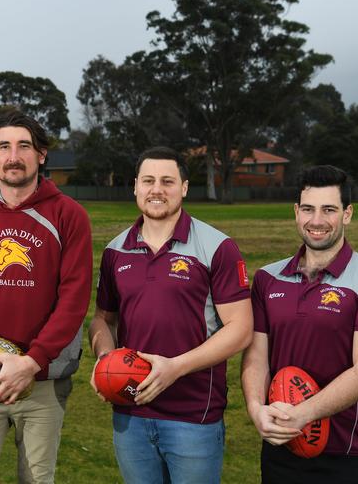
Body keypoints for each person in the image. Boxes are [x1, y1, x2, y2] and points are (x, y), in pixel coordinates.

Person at [0, 110, 93, 483]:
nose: (13, 156)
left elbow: (74, 299)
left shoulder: (69, 215)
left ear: (41, 155)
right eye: (3, 147)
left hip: (41, 378)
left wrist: (32, 362)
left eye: (24, 146)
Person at [88, 146, 253, 484]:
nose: (157, 189)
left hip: (193, 416)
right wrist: (106, 359)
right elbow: (103, 318)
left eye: (167, 181)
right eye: (148, 181)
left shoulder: (217, 247)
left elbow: (241, 328)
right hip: (130, 411)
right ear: (135, 186)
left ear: (185, 188)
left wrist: (174, 368)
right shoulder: (116, 251)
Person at [241, 165, 358, 483]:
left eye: (329, 210)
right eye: (308, 209)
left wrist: (304, 413)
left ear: (347, 214)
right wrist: (256, 409)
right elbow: (256, 358)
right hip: (281, 447)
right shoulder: (268, 278)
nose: (316, 221)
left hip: (347, 452)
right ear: (296, 212)